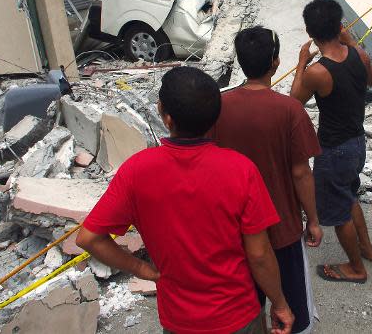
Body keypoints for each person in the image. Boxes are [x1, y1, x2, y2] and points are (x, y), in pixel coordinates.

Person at [77, 67, 294, 334]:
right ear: (214, 118)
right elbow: (259, 254)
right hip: (237, 315)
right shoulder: (241, 170)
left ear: (166, 117)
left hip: (180, 321)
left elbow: (88, 238)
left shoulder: (136, 171)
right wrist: (280, 303)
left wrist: (140, 268)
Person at [209, 27, 323, 334]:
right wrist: (312, 219)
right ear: (275, 62)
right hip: (282, 229)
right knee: (293, 314)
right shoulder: (289, 110)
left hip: (235, 231)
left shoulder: (218, 108)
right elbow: (301, 172)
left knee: (248, 310)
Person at [290, 0, 372, 284]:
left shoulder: (318, 71)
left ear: (310, 32)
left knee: (340, 211)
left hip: (334, 149)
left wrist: (301, 64)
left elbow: (293, 103)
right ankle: (366, 249)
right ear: (339, 25)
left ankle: (356, 267)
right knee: (349, 194)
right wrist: (352, 41)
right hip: (357, 141)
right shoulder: (357, 53)